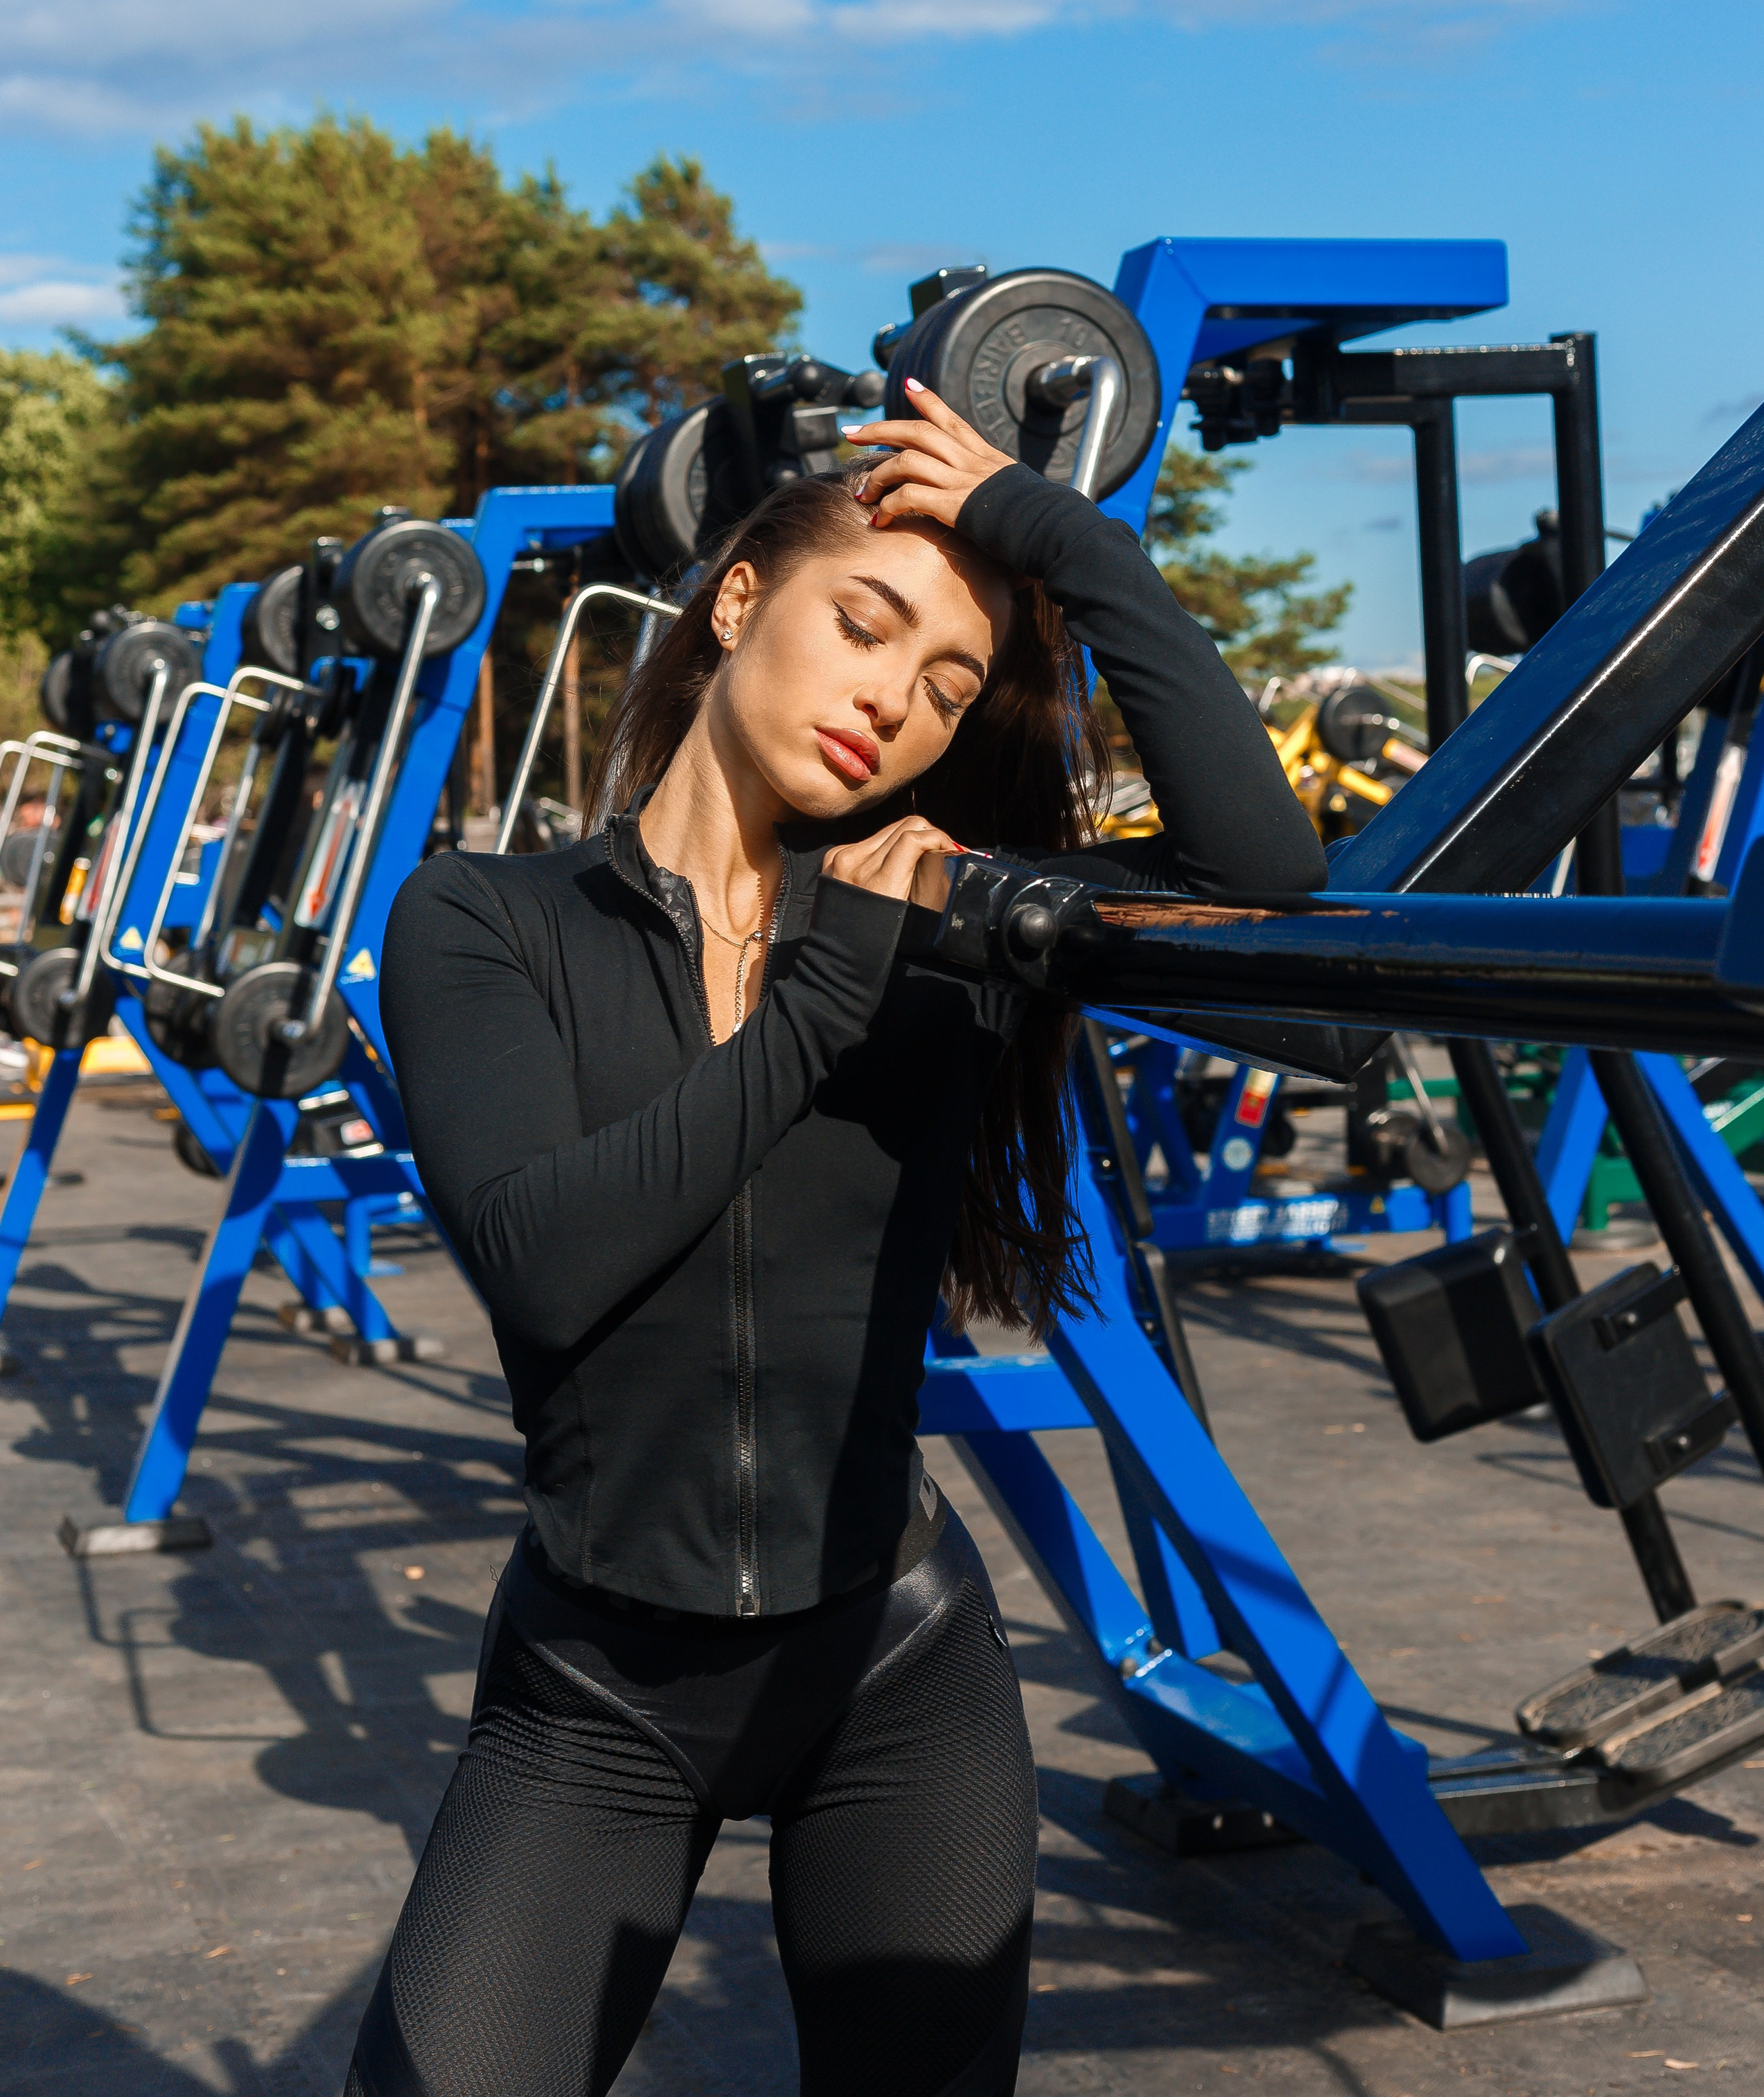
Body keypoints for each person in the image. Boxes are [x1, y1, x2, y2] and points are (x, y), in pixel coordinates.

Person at [346, 380, 1326, 2097]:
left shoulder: (946, 922)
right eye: (863, 625)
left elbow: (1268, 864)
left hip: (891, 1664)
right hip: (600, 1691)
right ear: (738, 602)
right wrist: (819, 995)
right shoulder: (482, 923)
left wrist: (1056, 536)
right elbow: (543, 1260)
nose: (893, 698)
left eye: (946, 687)